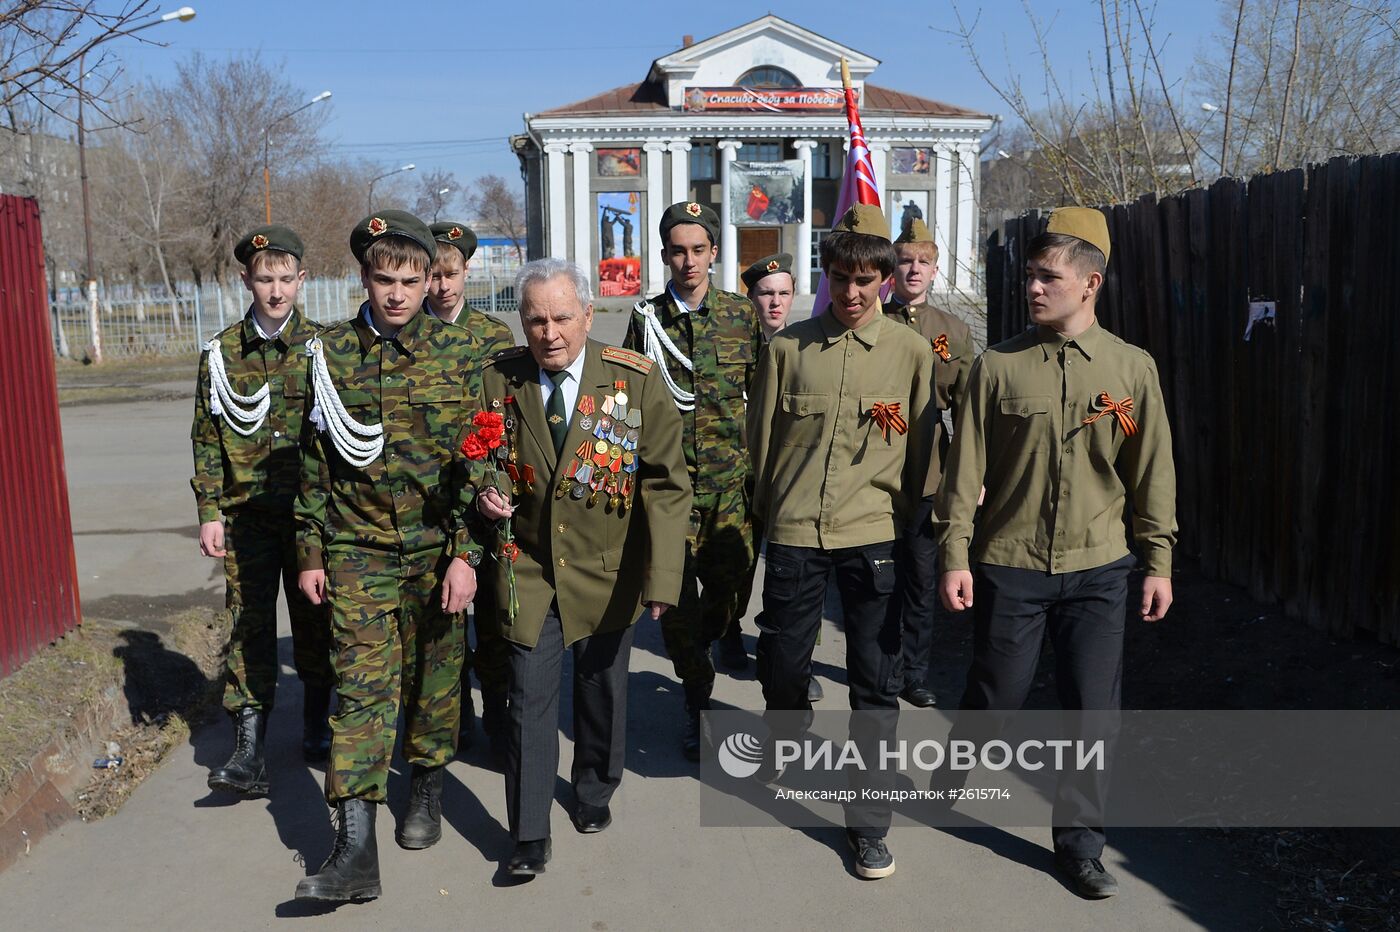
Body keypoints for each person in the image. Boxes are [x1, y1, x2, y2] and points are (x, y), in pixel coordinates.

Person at [936, 207, 1176, 899]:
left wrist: (1157, 561)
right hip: (1011, 563)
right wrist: (955, 554)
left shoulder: (1131, 370)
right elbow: (964, 473)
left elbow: (1152, 471)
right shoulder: (998, 366)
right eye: (1030, 276)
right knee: (998, 692)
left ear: (1090, 283)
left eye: (1049, 277)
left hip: (1100, 566)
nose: (1033, 288)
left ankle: (1079, 846)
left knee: (1092, 712)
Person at [291, 210, 487, 903]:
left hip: (437, 551)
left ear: (430, 277)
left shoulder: (461, 354)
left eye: (413, 279)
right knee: (364, 696)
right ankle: (353, 850)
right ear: (363, 278)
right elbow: (313, 464)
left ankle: (426, 788)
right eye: (385, 280)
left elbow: (482, 465)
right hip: (358, 550)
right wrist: (311, 551)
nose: (399, 293)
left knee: (434, 685)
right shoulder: (328, 353)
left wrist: (467, 555)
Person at [474, 258, 690, 876]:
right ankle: (528, 834)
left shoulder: (635, 381)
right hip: (530, 569)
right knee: (527, 698)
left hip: (607, 566)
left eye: (562, 317)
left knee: (601, 690)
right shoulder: (499, 381)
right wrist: (484, 491)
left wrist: (663, 577)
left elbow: (667, 485)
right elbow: (477, 456)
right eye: (535, 319)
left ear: (589, 315)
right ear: (522, 322)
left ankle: (594, 788)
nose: (549, 332)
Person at [747, 204, 934, 880]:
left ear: (885, 280)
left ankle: (869, 827)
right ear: (825, 275)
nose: (852, 293)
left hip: (874, 536)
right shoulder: (789, 349)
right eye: (840, 278)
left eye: (866, 281)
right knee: (785, 666)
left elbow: (919, 457)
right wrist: (773, 520)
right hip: (797, 533)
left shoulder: (911, 354)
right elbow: (761, 445)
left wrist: (907, 528)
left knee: (873, 688)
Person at [192, 225, 334, 798]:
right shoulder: (222, 354)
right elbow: (206, 435)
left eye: (285, 279)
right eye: (264, 279)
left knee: (315, 624)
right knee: (248, 627)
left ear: (303, 280)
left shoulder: (324, 349)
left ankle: (318, 728)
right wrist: (209, 510)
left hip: (308, 521)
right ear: (245, 280)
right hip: (246, 517)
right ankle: (248, 751)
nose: (275, 291)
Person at [623, 201, 761, 761]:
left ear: (714, 253)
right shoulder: (647, 319)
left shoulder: (740, 315)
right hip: (670, 490)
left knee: (729, 593)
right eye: (677, 251)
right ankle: (696, 698)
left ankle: (710, 641)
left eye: (698, 250)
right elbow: (627, 399)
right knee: (675, 604)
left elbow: (763, 396)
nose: (688, 261)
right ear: (664, 256)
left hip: (731, 486)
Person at [426, 219, 513, 754]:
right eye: (433, 275)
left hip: (485, 496)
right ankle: (455, 717)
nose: (442, 287)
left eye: (451, 274)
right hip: (435, 500)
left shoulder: (494, 337)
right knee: (444, 618)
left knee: (496, 619)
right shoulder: (410, 334)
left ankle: (499, 714)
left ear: (467, 270)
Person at [883, 219, 973, 709]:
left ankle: (913, 673)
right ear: (891, 267)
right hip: (876, 468)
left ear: (935, 269)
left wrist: (966, 478)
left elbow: (967, 413)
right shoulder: (873, 318)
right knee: (877, 577)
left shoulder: (953, 331)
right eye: (905, 260)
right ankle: (878, 665)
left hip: (928, 473)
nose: (913, 269)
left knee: (920, 578)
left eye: (923, 262)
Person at [742, 251, 796, 342]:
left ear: (792, 296)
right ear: (750, 297)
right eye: (767, 293)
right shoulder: (734, 347)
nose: (776, 302)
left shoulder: (803, 347)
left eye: (784, 293)